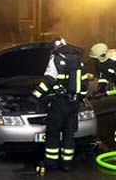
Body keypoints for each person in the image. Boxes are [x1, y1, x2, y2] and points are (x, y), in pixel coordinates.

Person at [32, 38, 87, 172]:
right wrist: (81, 97)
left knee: (53, 132)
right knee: (69, 133)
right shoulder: (78, 59)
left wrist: (36, 94)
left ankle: (51, 162)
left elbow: (49, 80)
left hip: (59, 102)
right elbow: (84, 82)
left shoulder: (56, 58)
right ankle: (66, 163)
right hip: (74, 103)